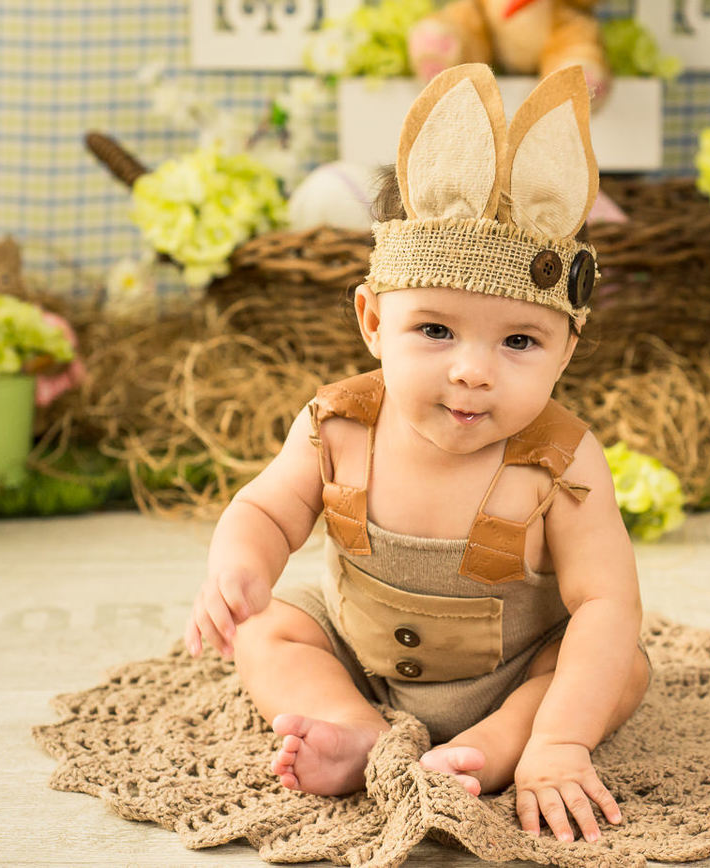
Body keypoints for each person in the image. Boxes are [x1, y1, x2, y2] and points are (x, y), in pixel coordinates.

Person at [184, 63, 649, 845]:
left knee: (615, 665)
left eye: (520, 341)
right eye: (435, 330)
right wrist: (240, 566)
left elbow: (606, 602)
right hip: (359, 655)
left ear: (567, 350)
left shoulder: (563, 462)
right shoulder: (337, 424)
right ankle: (354, 728)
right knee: (269, 631)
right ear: (372, 321)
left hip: (515, 670)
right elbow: (266, 507)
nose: (472, 371)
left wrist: (564, 740)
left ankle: (505, 747)